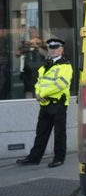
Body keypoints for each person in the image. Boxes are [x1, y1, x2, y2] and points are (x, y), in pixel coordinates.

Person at [17, 37, 73, 168]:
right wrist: (37, 93)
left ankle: (59, 158)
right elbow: (39, 81)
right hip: (45, 103)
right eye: (51, 48)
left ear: (62, 49)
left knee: (59, 133)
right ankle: (34, 158)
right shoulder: (46, 64)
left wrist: (42, 94)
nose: (53, 50)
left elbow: (61, 84)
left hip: (58, 103)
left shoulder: (65, 65)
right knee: (41, 132)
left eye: (56, 47)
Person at [16, 26, 45, 99]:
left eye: (33, 32)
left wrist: (37, 47)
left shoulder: (42, 43)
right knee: (28, 90)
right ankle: (28, 106)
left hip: (40, 70)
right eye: (30, 32)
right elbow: (17, 54)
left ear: (37, 32)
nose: (31, 33)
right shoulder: (26, 43)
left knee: (40, 90)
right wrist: (22, 48)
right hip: (28, 71)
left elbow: (47, 54)